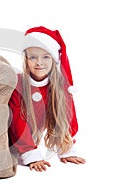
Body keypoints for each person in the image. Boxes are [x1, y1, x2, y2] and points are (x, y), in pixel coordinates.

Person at [8, 26, 86, 172]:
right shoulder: (18, 84)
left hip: (28, 141)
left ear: (54, 59)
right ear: (26, 59)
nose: (39, 62)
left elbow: (67, 116)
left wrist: (65, 149)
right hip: (9, 137)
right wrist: (30, 153)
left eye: (45, 56)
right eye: (33, 57)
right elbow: (18, 121)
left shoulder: (58, 87)